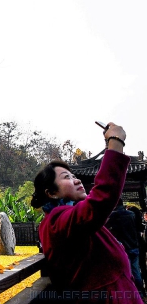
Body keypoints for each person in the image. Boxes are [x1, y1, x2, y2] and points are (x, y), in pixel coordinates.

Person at [31, 122, 142, 303]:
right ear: (50, 193)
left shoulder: (71, 216)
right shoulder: (56, 221)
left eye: (74, 175)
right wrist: (115, 143)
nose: (76, 180)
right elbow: (100, 201)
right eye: (67, 177)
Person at [106, 200, 145, 295]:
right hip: (134, 245)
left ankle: (132, 293)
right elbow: (138, 228)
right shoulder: (131, 214)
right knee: (136, 271)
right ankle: (141, 292)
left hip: (123, 248)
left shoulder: (113, 216)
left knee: (127, 273)